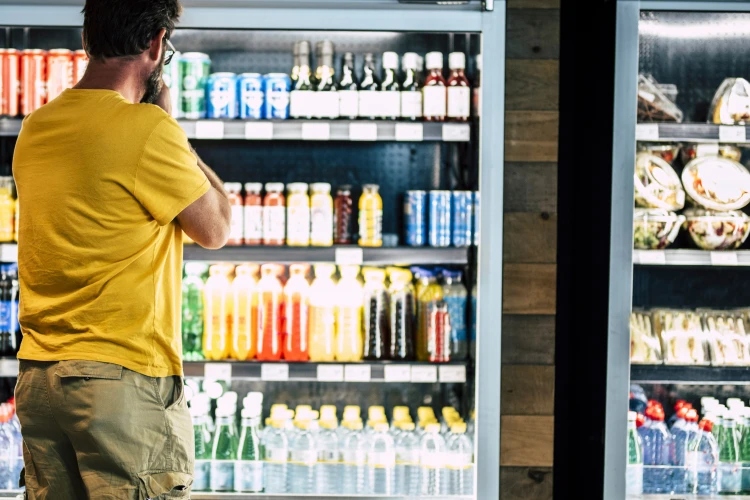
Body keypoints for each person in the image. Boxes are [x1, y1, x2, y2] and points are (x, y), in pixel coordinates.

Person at [11, 0, 231, 498]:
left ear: (89, 40)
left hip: (41, 381)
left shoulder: (36, 126)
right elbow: (215, 227)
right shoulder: (149, 130)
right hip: (119, 382)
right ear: (156, 44)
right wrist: (172, 132)